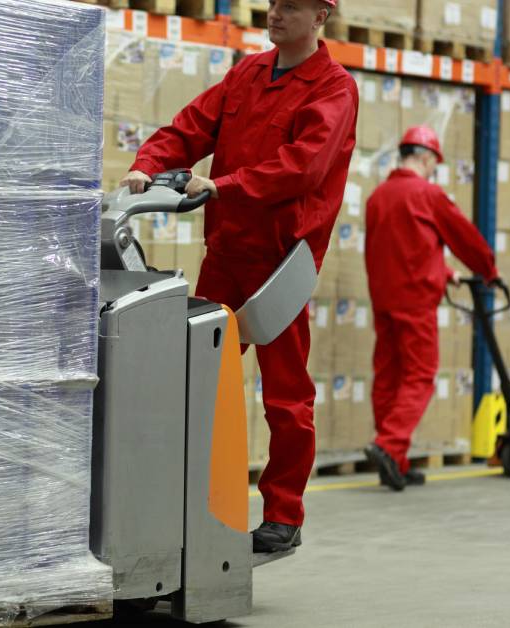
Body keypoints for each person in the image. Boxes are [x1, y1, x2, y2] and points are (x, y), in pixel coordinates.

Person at [120, 0, 358, 553]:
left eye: (291, 7)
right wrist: (148, 163)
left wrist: (225, 185)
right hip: (227, 251)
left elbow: (306, 165)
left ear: (321, 16)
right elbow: (192, 125)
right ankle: (183, 503)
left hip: (280, 262)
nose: (276, 14)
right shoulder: (248, 74)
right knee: (193, 382)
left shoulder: (333, 88)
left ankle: (284, 515)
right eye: (273, 3)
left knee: (286, 395)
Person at [363, 126, 498, 491]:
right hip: (415, 301)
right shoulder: (426, 193)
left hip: (384, 299)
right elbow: (463, 236)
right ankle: (389, 446)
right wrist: (487, 269)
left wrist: (446, 272)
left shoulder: (378, 196)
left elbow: (402, 247)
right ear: (425, 159)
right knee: (420, 376)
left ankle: (396, 462)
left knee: (389, 375)